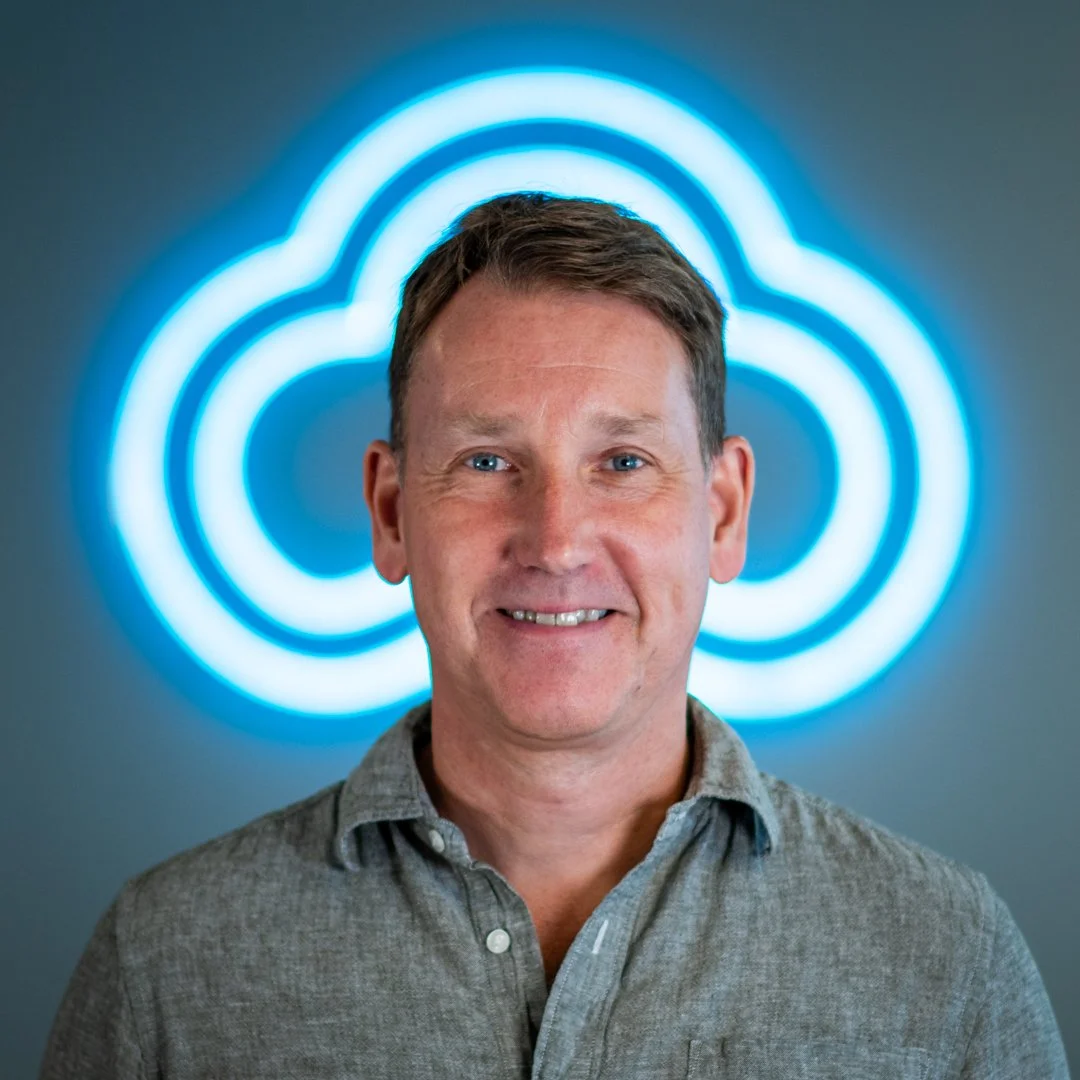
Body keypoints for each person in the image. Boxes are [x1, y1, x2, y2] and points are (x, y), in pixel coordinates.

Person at [41, 193, 1069, 1079]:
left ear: (723, 513)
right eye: (488, 463)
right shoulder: (166, 967)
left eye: (622, 462)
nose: (557, 541)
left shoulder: (946, 960)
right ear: (392, 513)